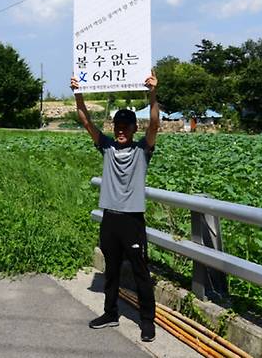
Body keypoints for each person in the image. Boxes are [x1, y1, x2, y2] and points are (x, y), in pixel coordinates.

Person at [70, 72, 159, 342]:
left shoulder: (142, 150)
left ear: (134, 129)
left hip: (132, 220)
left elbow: (155, 123)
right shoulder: (106, 147)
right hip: (110, 219)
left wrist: (153, 93)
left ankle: (147, 321)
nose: (121, 130)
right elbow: (85, 120)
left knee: (141, 273)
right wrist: (78, 91)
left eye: (126, 126)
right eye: (118, 126)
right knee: (110, 270)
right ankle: (110, 313)